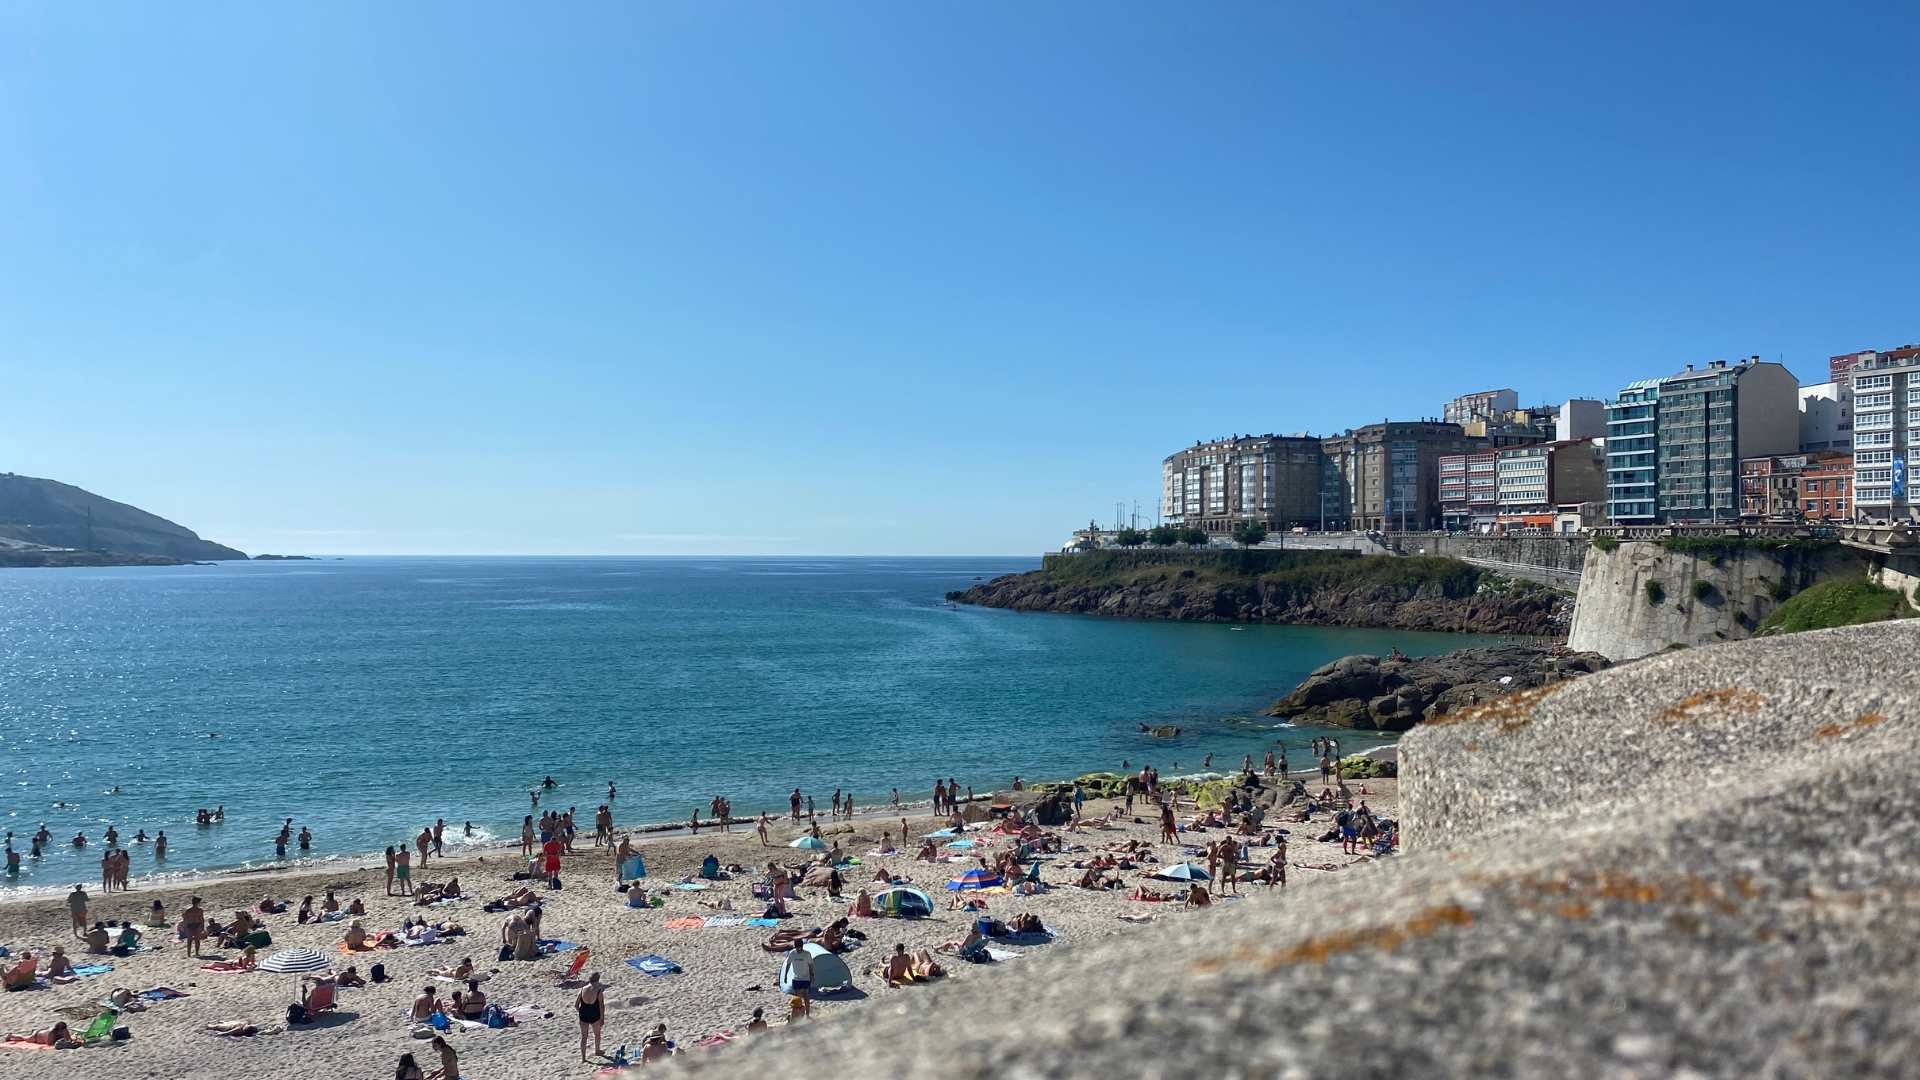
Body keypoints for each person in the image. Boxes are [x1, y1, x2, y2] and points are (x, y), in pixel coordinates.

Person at [576, 972, 606, 1060]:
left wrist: (581, 1012)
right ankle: (597, 1051)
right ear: (598, 980)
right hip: (594, 1015)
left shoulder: (583, 989)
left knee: (584, 1037)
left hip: (584, 1015)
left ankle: (583, 1058)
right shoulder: (598, 991)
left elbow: (576, 1005)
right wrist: (602, 1018)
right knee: (597, 1034)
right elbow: (601, 1006)